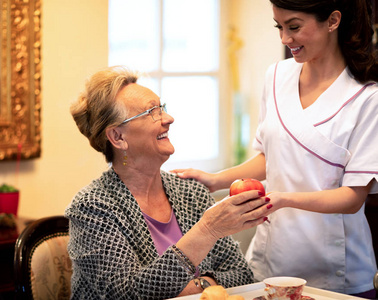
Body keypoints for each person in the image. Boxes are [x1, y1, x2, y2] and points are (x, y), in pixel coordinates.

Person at [173, 0, 378, 298]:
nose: (284, 39)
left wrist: (282, 199)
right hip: (269, 264)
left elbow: (352, 197)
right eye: (279, 27)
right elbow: (270, 157)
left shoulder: (366, 97)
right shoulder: (277, 76)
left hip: (337, 270)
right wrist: (215, 179)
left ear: (333, 20)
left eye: (294, 27)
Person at [65, 66, 272, 299]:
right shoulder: (91, 207)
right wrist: (207, 231)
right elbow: (127, 294)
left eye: (161, 108)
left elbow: (242, 275)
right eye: (151, 112)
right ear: (118, 137)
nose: (169, 119)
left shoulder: (190, 191)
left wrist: (196, 286)